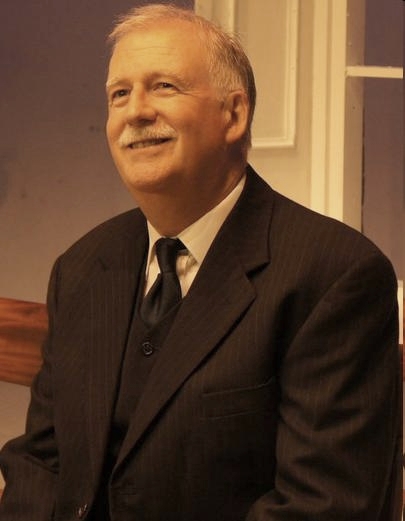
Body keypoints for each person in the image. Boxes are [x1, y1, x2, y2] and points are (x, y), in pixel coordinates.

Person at [0, 4, 401, 521]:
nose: (135, 111)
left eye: (163, 86)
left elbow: (322, 506)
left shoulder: (335, 276)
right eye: (119, 94)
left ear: (234, 115)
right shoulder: (80, 268)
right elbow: (41, 462)